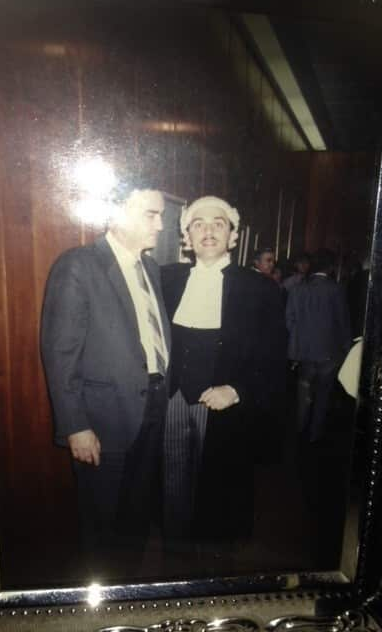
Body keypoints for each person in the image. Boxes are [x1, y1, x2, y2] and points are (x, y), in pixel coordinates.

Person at [40, 184, 170, 572]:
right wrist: (75, 425)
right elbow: (60, 354)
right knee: (101, 526)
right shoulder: (77, 265)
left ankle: (126, 591)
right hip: (103, 419)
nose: (161, 225)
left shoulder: (150, 268)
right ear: (118, 213)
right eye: (152, 214)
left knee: (136, 518)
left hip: (152, 407)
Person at [161, 196, 286, 558]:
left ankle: (213, 564)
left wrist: (237, 389)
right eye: (198, 224)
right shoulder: (165, 279)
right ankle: (173, 556)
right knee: (171, 486)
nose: (209, 230)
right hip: (171, 401)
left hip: (225, 408)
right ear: (187, 236)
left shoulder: (259, 288)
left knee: (219, 491)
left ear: (233, 236)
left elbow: (275, 357)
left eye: (219, 223)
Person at [286, 248, 351, 443]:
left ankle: (298, 431)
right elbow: (343, 323)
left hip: (304, 353)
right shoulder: (336, 289)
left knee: (303, 393)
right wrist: (346, 349)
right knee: (323, 396)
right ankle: (314, 436)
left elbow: (289, 321)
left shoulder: (297, 289)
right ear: (330, 267)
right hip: (329, 354)